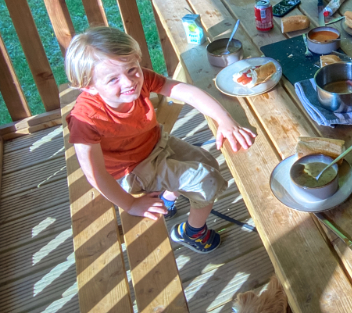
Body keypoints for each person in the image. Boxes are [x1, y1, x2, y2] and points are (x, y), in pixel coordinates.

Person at [65, 26, 257, 255]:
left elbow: (185, 91)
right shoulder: (86, 120)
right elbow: (95, 175)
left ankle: (167, 199)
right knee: (207, 181)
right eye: (113, 79)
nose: (128, 82)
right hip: (130, 172)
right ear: (89, 86)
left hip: (155, 145)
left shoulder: (139, 78)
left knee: (209, 162)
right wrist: (131, 204)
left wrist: (225, 120)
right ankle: (193, 232)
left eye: (132, 69)